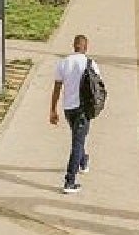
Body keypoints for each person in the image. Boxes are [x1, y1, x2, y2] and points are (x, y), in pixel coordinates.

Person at [50, 34, 99, 194]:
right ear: (86, 47)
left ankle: (83, 162)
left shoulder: (63, 63)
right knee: (77, 143)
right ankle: (69, 182)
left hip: (68, 109)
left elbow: (57, 88)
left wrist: (53, 110)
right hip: (83, 109)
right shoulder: (90, 63)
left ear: (74, 46)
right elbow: (98, 87)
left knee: (78, 137)